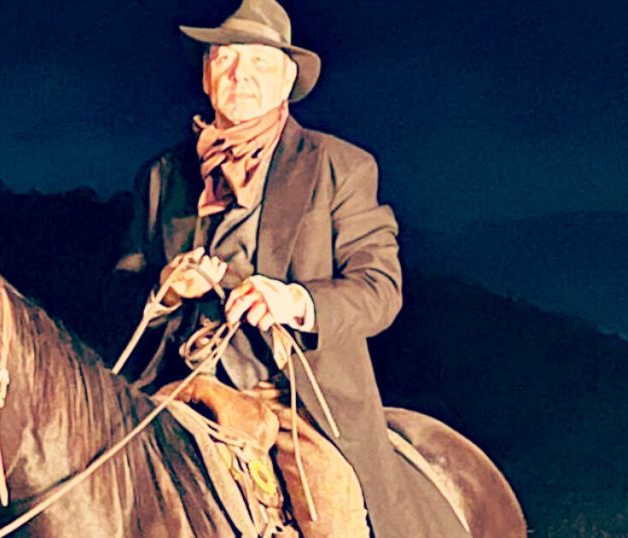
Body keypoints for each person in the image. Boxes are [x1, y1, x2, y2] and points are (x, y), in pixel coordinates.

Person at [103, 1, 469, 536]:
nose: (240, 75)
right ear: (206, 74)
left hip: (294, 398)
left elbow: (379, 289)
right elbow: (118, 291)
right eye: (225, 59)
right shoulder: (161, 176)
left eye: (259, 62)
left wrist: (295, 300)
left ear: (287, 80)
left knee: (334, 517)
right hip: (181, 389)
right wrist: (166, 290)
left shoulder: (339, 166)